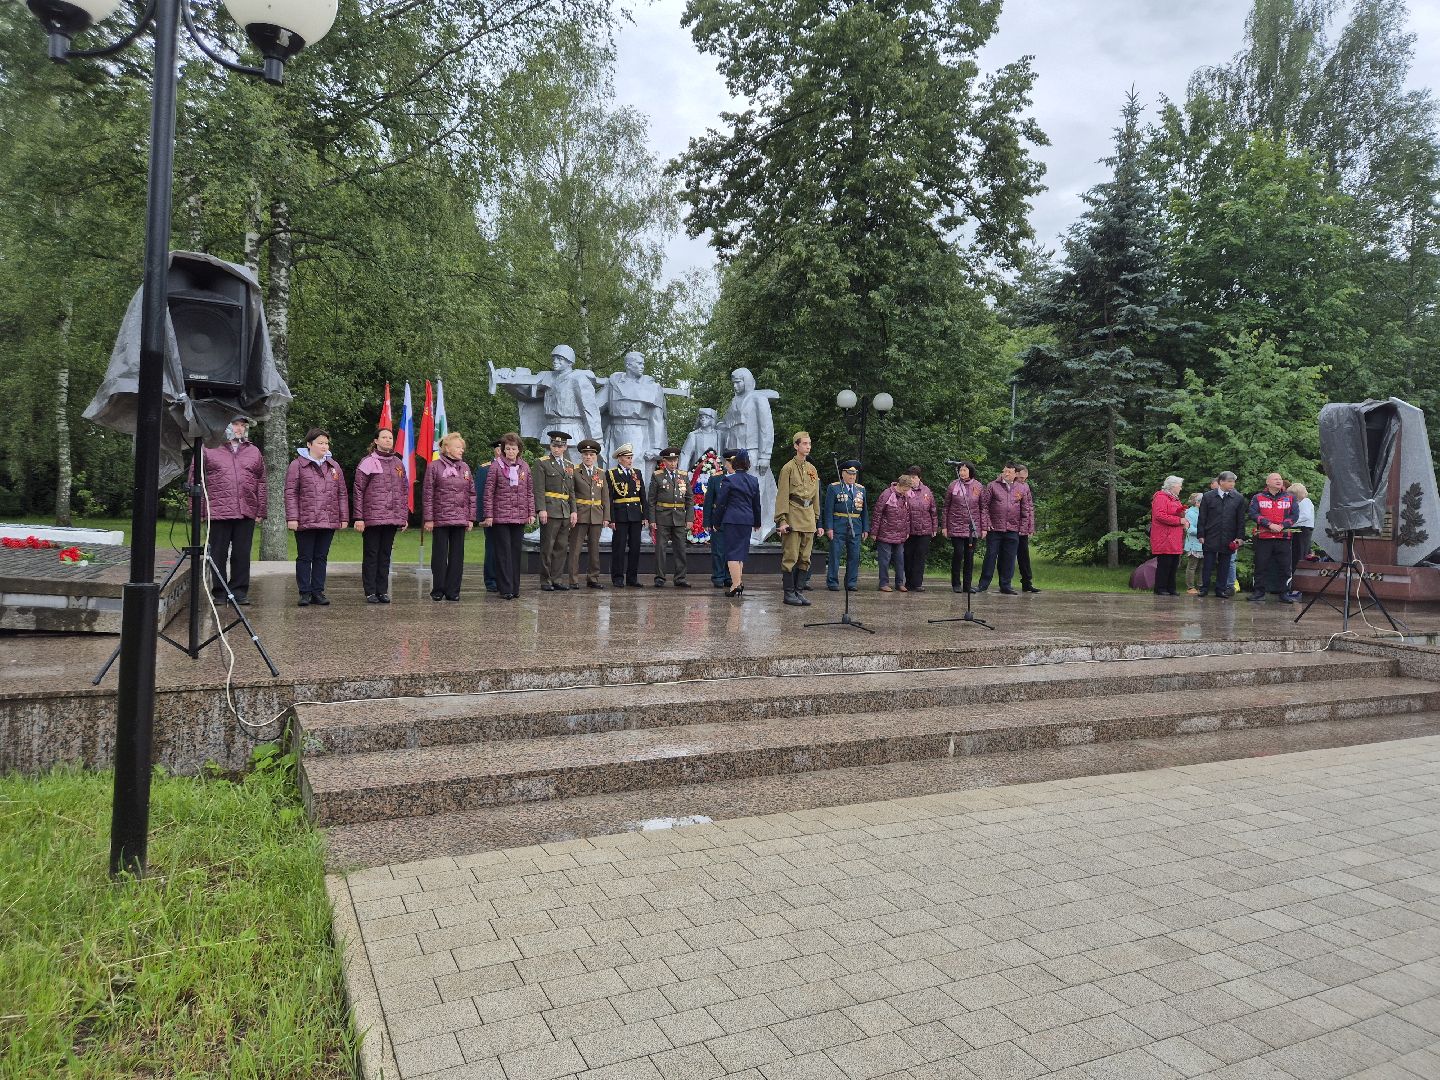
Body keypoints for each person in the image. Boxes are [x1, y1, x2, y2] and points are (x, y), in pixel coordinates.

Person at [195, 415, 265, 605]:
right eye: (235, 424)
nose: (239, 429)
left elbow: (262, 481)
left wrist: (261, 510)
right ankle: (219, 592)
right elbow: (196, 479)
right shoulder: (208, 448)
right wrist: (198, 511)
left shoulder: (254, 451)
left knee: (242, 553)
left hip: (246, 510)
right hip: (218, 510)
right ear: (225, 425)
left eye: (243, 425)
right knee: (218, 553)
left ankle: (239, 592)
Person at [284, 427, 347, 607]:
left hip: (328, 518)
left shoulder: (334, 466)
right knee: (305, 556)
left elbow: (342, 493)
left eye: (326, 443)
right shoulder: (297, 465)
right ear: (309, 444)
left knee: (321, 556)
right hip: (306, 518)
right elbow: (290, 492)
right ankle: (304, 592)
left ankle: (318, 591)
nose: (324, 446)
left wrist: (343, 517)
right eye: (320, 443)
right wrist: (292, 518)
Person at [353, 427, 408, 603]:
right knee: (371, 554)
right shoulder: (368, 462)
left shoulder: (398, 463)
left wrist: (403, 516)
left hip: (392, 517)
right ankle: (370, 591)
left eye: (390, 438)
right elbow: (358, 490)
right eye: (384, 437)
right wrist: (359, 517)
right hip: (372, 517)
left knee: (385, 555)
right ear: (376, 441)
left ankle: (382, 590)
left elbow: (403, 491)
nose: (387, 440)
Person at [602, 352, 671, 485]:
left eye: (643, 363)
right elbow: (596, 406)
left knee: (636, 475)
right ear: (628, 365)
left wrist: (657, 448)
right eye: (639, 363)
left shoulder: (652, 387)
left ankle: (638, 504)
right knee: (612, 473)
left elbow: (657, 419)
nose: (642, 366)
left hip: (639, 434)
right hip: (613, 433)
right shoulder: (614, 383)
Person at [480, 432, 534, 600]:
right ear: (503, 450)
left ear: (519, 450)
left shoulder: (524, 467)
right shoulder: (496, 466)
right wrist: (488, 515)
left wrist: (531, 512)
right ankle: (505, 589)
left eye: (514, 448)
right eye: (508, 448)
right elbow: (488, 493)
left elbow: (529, 492)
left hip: (519, 516)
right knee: (503, 553)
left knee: (515, 552)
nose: (511, 451)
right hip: (500, 516)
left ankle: (515, 587)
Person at [423, 432, 476, 603]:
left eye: (462, 448)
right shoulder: (434, 466)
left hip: (460, 518)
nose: (462, 450)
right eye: (458, 447)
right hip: (440, 518)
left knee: (457, 556)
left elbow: (471, 494)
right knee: (439, 555)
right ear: (447, 448)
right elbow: (428, 494)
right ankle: (438, 588)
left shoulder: (465, 468)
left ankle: (453, 590)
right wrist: (429, 519)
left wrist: (470, 518)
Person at [775, 431, 821, 606]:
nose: (808, 447)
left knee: (805, 557)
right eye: (804, 444)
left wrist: (816, 517)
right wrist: (782, 519)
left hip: (808, 516)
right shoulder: (788, 468)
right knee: (790, 556)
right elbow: (782, 496)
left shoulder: (812, 469)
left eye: (809, 444)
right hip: (793, 514)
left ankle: (799, 591)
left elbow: (816, 495)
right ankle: (788, 593)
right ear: (796, 446)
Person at [533, 430, 577, 592]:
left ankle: (557, 578)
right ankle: (545, 580)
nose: (556, 449)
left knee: (561, 547)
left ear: (565, 447)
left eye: (560, 446)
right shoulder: (542, 463)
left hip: (565, 511)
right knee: (547, 546)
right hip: (550, 509)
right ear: (550, 446)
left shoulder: (569, 465)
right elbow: (538, 489)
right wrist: (541, 509)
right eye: (554, 445)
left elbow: (571, 491)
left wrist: (574, 511)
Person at [713, 448, 760, 596]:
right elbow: (756, 504)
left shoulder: (729, 479)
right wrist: (757, 522)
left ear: (735, 463)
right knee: (741, 553)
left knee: (732, 553)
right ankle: (738, 581)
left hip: (732, 519)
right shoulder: (753, 480)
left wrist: (716, 521)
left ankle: (735, 584)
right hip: (747, 520)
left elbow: (721, 503)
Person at [976, 463, 1027, 594]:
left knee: (1009, 558)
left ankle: (1006, 585)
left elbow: (1025, 510)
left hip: (1013, 529)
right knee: (990, 556)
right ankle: (983, 584)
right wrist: (986, 522)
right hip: (995, 529)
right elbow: (984, 506)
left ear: (1015, 474)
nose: (1006, 474)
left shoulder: (1021, 488)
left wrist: (1023, 527)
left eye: (1009, 472)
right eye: (1005, 471)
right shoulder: (993, 486)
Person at [544, 345, 602, 458]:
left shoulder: (579, 379)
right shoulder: (549, 379)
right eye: (554, 358)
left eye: (560, 359)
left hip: (573, 432)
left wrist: (597, 440)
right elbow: (525, 394)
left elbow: (590, 411)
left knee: (578, 471)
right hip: (551, 430)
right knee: (548, 469)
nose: (555, 361)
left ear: (569, 362)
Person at [1248, 471, 1298, 602]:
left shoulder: (1290, 497)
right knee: (1261, 565)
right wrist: (1269, 524)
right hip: (1264, 538)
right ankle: (1259, 592)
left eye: (1280, 479)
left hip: (1284, 537)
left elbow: (1294, 515)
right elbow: (1253, 514)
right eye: (1275, 479)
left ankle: (1284, 593)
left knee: (1285, 566)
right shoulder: (1258, 497)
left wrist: (1282, 525)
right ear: (1268, 482)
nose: (1279, 481)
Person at [605, 443, 650, 587]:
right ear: (619, 459)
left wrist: (645, 516)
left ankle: (632, 577)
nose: (630, 460)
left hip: (636, 515)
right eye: (627, 458)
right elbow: (609, 498)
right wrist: (611, 518)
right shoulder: (611, 474)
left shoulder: (636, 472)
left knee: (635, 547)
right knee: (618, 547)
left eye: (631, 457)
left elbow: (643, 495)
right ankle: (618, 577)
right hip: (620, 515)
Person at [647, 447, 693, 587]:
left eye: (675, 460)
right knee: (660, 549)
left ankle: (680, 578)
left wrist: (690, 518)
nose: (673, 463)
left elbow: (689, 499)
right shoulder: (658, 475)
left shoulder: (683, 476)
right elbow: (651, 500)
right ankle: (660, 577)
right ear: (664, 461)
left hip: (679, 516)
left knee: (680, 548)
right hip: (662, 517)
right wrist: (652, 520)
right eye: (670, 461)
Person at [568, 438, 609, 589]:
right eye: (585, 454)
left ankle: (593, 578)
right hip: (580, 514)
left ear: (596, 457)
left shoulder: (601, 474)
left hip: (597, 515)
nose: (588, 457)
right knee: (575, 549)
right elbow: (571, 494)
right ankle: (573, 580)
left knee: (594, 549)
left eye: (591, 454)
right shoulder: (575, 472)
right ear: (581, 456)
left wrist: (606, 517)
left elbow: (605, 497)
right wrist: (573, 512)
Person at [1197, 470, 1245, 598]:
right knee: (1208, 564)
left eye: (1233, 481)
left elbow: (1241, 520)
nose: (1232, 484)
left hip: (1228, 536)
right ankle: (1204, 588)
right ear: (1221, 482)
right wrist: (1201, 534)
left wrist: (1240, 537)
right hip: (1210, 534)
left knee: (1225, 564)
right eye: (1229, 481)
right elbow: (1202, 517)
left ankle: (1221, 589)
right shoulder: (1208, 496)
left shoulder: (1238, 498)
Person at [823, 460, 868, 592]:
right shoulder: (834, 487)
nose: (852, 477)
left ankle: (851, 582)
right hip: (839, 525)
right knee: (835, 555)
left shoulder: (861, 489)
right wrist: (829, 527)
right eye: (849, 474)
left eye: (854, 474)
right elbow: (828, 509)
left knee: (854, 555)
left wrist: (866, 528)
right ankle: (832, 582)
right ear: (842, 474)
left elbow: (864, 511)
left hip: (856, 526)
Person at [942, 461, 984, 594]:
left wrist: (984, 528)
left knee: (969, 556)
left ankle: (967, 585)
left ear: (970, 471)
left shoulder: (978, 486)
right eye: (960, 470)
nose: (962, 472)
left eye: (965, 470)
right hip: (955, 526)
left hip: (972, 527)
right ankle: (956, 583)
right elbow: (946, 507)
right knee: (958, 554)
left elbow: (983, 508)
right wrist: (944, 526)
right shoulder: (953, 485)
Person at [871, 473, 912, 592]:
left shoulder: (905, 496)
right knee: (885, 559)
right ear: (899, 485)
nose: (906, 492)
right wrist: (874, 532)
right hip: (885, 533)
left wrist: (907, 530)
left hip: (900, 533)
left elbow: (907, 515)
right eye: (905, 489)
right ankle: (883, 583)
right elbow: (877, 513)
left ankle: (900, 583)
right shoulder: (886, 494)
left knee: (900, 559)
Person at [900, 465, 939, 592]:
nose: (912, 480)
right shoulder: (904, 491)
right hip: (908, 530)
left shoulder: (927, 491)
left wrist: (934, 527)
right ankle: (908, 582)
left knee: (920, 556)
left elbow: (933, 510)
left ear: (919, 478)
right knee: (908, 555)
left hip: (924, 530)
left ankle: (917, 583)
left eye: (915, 477)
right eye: (910, 477)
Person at [1149, 476, 1186, 596]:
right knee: (1165, 564)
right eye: (1180, 485)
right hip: (1164, 536)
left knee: (1174, 563)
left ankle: (1171, 588)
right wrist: (1179, 520)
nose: (1181, 488)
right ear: (1173, 486)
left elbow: (1175, 514)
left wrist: (1184, 518)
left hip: (1174, 537)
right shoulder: (1161, 497)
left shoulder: (1175, 499)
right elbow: (1159, 515)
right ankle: (1160, 588)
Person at [704, 450, 735, 589]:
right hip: (719, 520)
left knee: (732, 550)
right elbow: (708, 501)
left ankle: (729, 577)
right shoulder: (716, 479)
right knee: (718, 550)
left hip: (735, 520)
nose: (732, 465)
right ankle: (718, 576)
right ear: (725, 463)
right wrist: (706, 521)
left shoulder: (741, 478)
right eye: (730, 462)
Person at [474, 440, 501, 592]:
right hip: (490, 516)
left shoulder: (514, 467)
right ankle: (491, 580)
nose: (501, 451)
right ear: (495, 451)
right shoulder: (485, 469)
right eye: (498, 448)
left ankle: (503, 578)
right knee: (491, 547)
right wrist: (481, 516)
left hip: (507, 515)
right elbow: (480, 494)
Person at [1285, 481, 1315, 601]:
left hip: (1302, 531)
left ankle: (1298, 588)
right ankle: (1294, 586)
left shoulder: (1306, 502)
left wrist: (1290, 522)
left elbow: (1306, 516)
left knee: (1299, 557)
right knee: (1296, 557)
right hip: (1299, 530)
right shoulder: (1299, 502)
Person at [1014, 464, 1040, 593]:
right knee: (1005, 556)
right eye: (1021, 477)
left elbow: (1030, 508)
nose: (1023, 480)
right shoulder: (1009, 485)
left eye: (1025, 478)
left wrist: (1030, 527)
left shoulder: (1026, 487)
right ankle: (1003, 583)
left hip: (1023, 527)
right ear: (1015, 474)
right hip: (1011, 526)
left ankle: (1027, 582)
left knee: (1024, 555)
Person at [680, 408, 721, 473]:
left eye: (706, 417)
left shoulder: (719, 435)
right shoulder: (694, 435)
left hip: (717, 474)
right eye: (701, 417)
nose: (703, 419)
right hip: (697, 475)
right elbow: (685, 455)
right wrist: (682, 474)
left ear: (712, 419)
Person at [1183, 492, 1204, 595]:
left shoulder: (1204, 512)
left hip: (1204, 544)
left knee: (1202, 566)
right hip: (1193, 543)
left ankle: (1201, 586)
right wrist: (1204, 532)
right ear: (1197, 502)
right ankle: (1190, 587)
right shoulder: (1190, 513)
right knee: (1192, 566)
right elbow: (1190, 529)